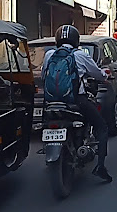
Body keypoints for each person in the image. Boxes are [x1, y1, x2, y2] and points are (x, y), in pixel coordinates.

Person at [42, 25, 112, 182]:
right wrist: (105, 75)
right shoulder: (80, 55)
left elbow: (44, 75)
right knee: (101, 126)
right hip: (76, 101)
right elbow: (97, 74)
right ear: (76, 40)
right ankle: (100, 167)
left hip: (52, 101)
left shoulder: (49, 55)